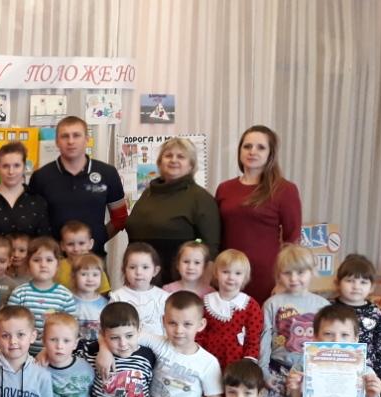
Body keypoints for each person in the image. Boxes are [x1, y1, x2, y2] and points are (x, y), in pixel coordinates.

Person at [258, 244, 329, 397]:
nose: (294, 278)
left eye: (300, 272)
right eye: (287, 273)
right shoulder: (273, 303)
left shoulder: (322, 305)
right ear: (279, 275)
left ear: (312, 272)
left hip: (307, 374)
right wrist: (263, 370)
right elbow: (264, 338)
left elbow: (327, 341)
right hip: (277, 370)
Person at [216, 125, 303, 302]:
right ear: (240, 151)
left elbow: (292, 239)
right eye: (247, 146)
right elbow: (217, 232)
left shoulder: (285, 189)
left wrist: (283, 280)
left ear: (271, 154)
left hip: (266, 276)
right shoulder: (225, 188)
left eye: (261, 147)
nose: (252, 151)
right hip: (229, 274)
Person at [124, 138, 220, 284]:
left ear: (191, 165)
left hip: (178, 283)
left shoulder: (201, 198)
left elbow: (211, 248)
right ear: (159, 162)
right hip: (140, 280)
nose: (173, 160)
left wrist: (201, 288)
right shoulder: (148, 193)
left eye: (181, 156)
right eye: (168, 155)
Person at [28, 116, 127, 257]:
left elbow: (120, 218)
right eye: (65, 136)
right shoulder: (41, 177)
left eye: (76, 135)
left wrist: (99, 239)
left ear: (87, 139)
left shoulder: (107, 173)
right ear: (57, 141)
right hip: (53, 261)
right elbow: (34, 222)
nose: (71, 141)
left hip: (94, 260)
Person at [6, 236, 77, 356]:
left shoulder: (65, 296)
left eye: (49, 260)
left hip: (54, 355)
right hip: (21, 354)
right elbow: (10, 326)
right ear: (28, 264)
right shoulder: (19, 293)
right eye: (36, 260)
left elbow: (71, 329)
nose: (43, 265)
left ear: (57, 265)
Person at [0, 142, 50, 240]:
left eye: (17, 165)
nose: (11, 171)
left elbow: (45, 242)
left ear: (24, 168)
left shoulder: (38, 202)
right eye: (5, 166)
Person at [197, 249, 263, 369]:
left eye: (238, 273)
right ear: (216, 273)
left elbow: (253, 338)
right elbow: (199, 333)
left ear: (245, 277)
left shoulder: (251, 306)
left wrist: (247, 363)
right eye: (226, 272)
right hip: (208, 361)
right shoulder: (205, 302)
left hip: (237, 364)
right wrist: (198, 357)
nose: (231, 277)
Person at [334, 254, 381, 379]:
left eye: (363, 282)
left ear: (372, 287)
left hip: (366, 374)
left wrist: (379, 376)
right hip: (333, 370)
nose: (356, 286)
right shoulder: (328, 308)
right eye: (350, 281)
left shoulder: (376, 313)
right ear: (338, 283)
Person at [109, 242, 169, 336]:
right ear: (124, 270)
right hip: (127, 344)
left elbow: (169, 326)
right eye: (132, 267)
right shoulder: (118, 297)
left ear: (155, 271)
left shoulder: (163, 297)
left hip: (159, 344)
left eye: (145, 267)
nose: (138, 272)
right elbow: (110, 326)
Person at [56, 220, 111, 294]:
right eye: (70, 244)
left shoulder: (95, 265)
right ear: (62, 246)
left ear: (90, 244)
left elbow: (104, 292)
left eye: (81, 243)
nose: (76, 249)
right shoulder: (57, 267)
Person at [71, 254, 108, 342]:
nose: (90, 279)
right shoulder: (68, 301)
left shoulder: (105, 304)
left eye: (95, 274)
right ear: (74, 276)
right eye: (84, 274)